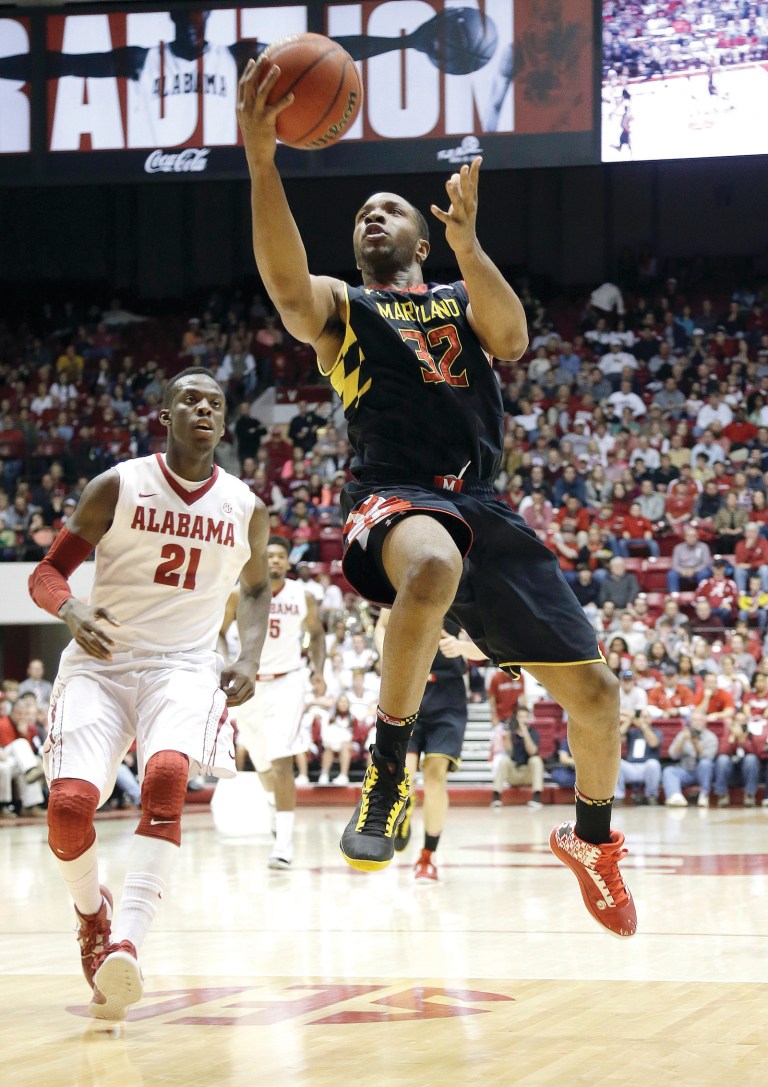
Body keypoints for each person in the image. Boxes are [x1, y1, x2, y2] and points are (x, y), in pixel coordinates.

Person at [238, 62, 636, 938]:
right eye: (361, 215)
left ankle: (593, 840)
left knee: (599, 695)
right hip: (394, 494)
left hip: (483, 506)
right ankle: (389, 763)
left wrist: (469, 245)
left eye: (389, 209)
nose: (372, 216)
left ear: (423, 241)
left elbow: (514, 338)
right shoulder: (344, 306)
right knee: (429, 561)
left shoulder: (458, 293)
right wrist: (264, 163)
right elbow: (287, 288)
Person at [27, 366, 271, 1021]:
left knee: (165, 775)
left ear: (224, 422)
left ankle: (128, 941)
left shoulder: (246, 506)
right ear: (165, 415)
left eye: (214, 403)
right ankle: (92, 915)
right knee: (68, 807)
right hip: (102, 663)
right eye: (190, 400)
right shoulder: (119, 484)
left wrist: (249, 656)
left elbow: (254, 589)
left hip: (182, 666)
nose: (204, 409)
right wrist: (72, 609)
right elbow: (48, 572)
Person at [225, 535, 325, 867]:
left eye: (281, 556)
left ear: (288, 561)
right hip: (249, 685)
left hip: (288, 681)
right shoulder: (239, 593)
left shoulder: (302, 595)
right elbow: (217, 632)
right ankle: (272, 802)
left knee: (281, 759)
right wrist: (224, 664)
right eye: (269, 556)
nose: (275, 561)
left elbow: (317, 634)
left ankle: (283, 844)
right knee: (262, 762)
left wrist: (318, 671)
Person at [376, 608, 484, 882]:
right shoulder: (404, 586)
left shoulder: (466, 593)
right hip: (409, 688)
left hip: (448, 695)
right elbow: (382, 626)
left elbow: (493, 645)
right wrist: (388, 658)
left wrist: (462, 647)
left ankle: (428, 856)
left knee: (435, 776)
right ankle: (405, 806)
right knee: (403, 776)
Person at [490, 705, 545, 811]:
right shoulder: (512, 732)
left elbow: (532, 752)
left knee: (536, 760)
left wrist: (525, 732)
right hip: (514, 772)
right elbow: (509, 752)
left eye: (525, 717)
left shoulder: (533, 732)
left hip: (528, 773)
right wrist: (508, 734)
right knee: (504, 760)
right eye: (520, 717)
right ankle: (496, 797)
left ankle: (537, 797)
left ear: (529, 718)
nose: (522, 720)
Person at [661, 711, 718, 808]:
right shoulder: (683, 734)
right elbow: (673, 755)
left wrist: (695, 743)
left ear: (705, 722)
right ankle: (675, 796)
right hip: (686, 771)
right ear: (690, 722)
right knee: (669, 771)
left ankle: (704, 795)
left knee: (705, 764)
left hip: (703, 773)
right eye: (694, 720)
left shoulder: (711, 737)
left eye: (700, 720)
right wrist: (683, 740)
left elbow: (708, 758)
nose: (697, 722)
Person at [713, 712, 761, 808]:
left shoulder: (752, 734)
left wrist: (743, 740)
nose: (740, 723)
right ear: (733, 723)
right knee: (722, 759)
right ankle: (722, 794)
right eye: (738, 721)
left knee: (751, 759)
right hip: (730, 771)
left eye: (743, 721)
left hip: (746, 772)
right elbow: (721, 752)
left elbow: (757, 754)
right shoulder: (728, 734)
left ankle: (750, 794)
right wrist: (733, 739)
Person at [614, 709, 662, 805]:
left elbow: (654, 743)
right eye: (641, 717)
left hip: (646, 767)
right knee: (616, 762)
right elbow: (617, 737)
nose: (642, 719)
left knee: (653, 764)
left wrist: (643, 726)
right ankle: (618, 797)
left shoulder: (656, 731)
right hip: (631, 767)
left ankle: (651, 796)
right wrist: (629, 720)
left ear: (650, 719)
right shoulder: (633, 732)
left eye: (645, 717)